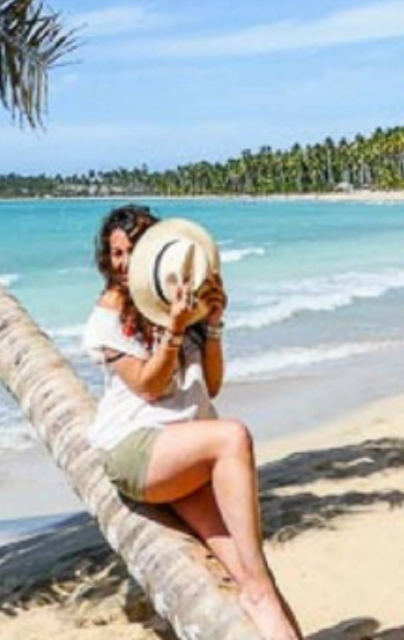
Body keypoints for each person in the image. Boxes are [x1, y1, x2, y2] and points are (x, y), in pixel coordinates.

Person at [83, 205, 303, 640]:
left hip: (186, 458)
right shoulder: (109, 314)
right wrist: (174, 332)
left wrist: (214, 325)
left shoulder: (180, 301)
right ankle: (257, 590)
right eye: (116, 254)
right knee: (233, 437)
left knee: (253, 575)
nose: (123, 264)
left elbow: (213, 386)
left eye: (131, 252)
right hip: (136, 452)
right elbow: (149, 386)